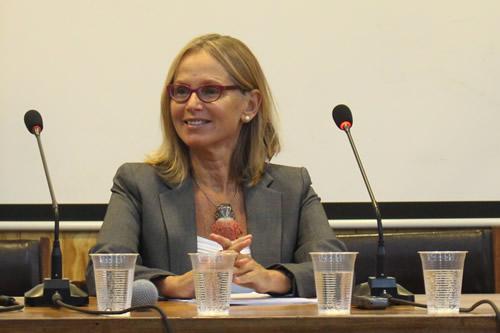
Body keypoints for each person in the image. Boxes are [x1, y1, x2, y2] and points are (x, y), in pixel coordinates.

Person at [86, 33, 346, 298]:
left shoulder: (293, 186)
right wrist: (177, 285)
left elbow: (335, 270)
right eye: (182, 91)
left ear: (251, 104)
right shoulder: (138, 183)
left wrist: (271, 279)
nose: (192, 104)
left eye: (210, 91)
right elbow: (104, 273)